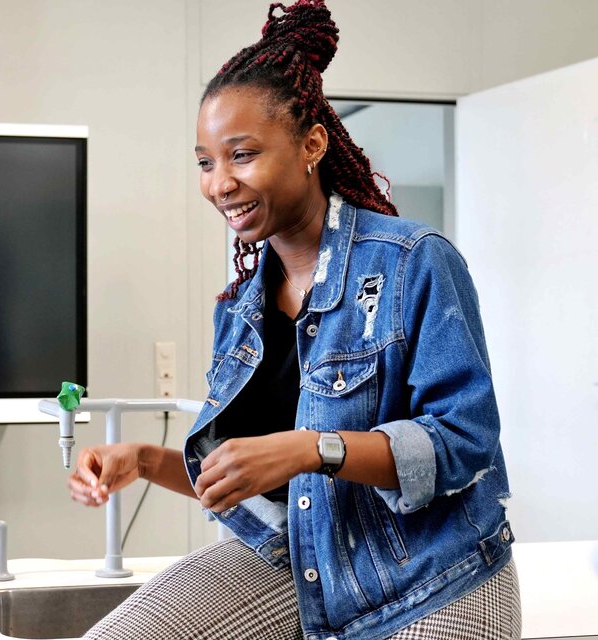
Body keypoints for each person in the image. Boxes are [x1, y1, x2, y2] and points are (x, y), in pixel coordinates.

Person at [69, 2, 520, 638]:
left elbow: (465, 443)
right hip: (305, 565)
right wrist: (142, 459)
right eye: (205, 162)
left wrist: (315, 450)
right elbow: (251, 472)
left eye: (242, 155)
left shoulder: (416, 263)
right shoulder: (241, 309)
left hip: (435, 576)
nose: (220, 183)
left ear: (312, 144)